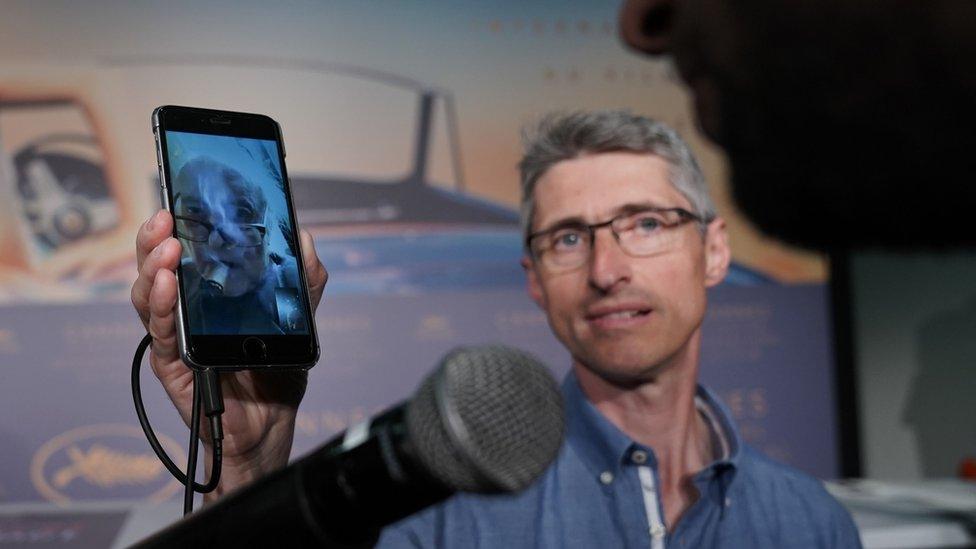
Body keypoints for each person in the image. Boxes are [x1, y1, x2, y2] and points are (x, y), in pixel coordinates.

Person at [132, 111, 861, 546]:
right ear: (533, 277)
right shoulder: (438, 502)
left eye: (645, 223)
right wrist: (253, 467)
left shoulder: (807, 519)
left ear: (716, 250)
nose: (608, 268)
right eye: (569, 238)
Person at [172, 156, 306, 335]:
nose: (216, 242)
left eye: (241, 214)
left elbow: (293, 342)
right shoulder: (179, 287)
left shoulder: (288, 283)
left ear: (270, 221)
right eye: (195, 212)